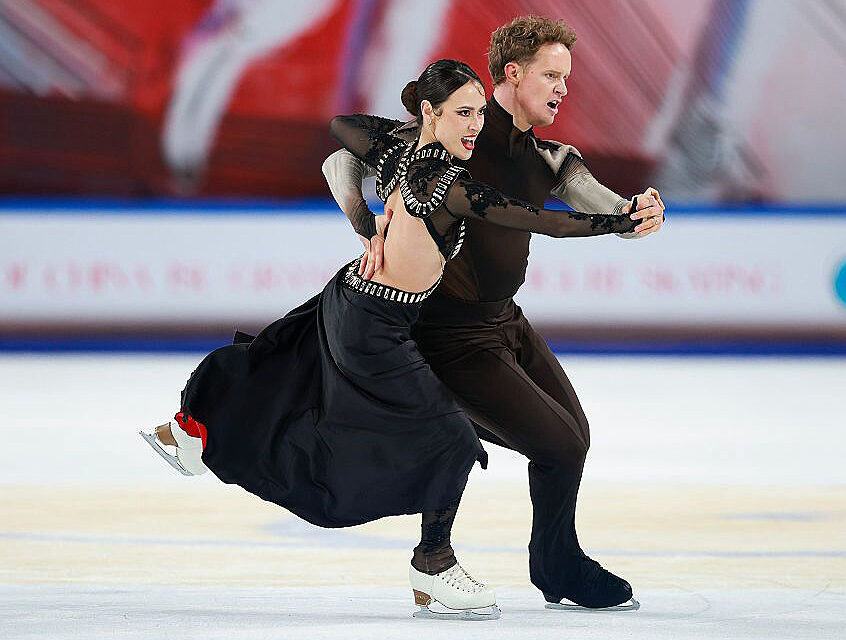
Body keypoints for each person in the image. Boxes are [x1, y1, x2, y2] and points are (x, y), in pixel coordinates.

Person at [141, 58, 645, 620]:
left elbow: (341, 132)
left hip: (351, 297)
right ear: (429, 112)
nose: (475, 126)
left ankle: (183, 433)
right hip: (377, 326)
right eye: (462, 113)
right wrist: (619, 223)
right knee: (450, 441)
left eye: (480, 112)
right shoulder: (448, 182)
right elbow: (541, 220)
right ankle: (433, 567)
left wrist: (365, 218)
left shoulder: (398, 152)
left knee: (277, 369)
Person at [324, 15, 665, 611]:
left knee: (572, 439)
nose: (563, 88)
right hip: (449, 335)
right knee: (554, 444)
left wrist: (638, 214)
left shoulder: (552, 157)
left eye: (567, 78)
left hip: (504, 321)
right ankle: (511, 558)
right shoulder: (450, 137)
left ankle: (553, 560)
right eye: (552, 76)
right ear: (513, 72)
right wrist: (366, 227)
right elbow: (339, 159)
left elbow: (609, 212)